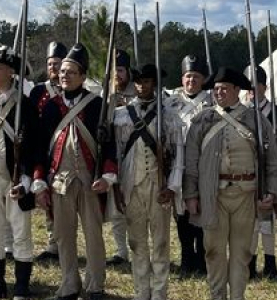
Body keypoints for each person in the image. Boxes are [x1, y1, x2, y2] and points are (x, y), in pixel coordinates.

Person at [183, 67, 277, 300]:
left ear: (238, 90)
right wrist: (191, 194)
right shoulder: (202, 120)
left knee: (242, 253)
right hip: (212, 195)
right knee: (214, 251)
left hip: (246, 194)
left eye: (224, 89)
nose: (218, 93)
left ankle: (237, 296)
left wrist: (271, 190)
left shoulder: (256, 120)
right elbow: (191, 160)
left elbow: (272, 160)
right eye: (216, 89)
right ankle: (218, 296)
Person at [32, 43, 117, 300]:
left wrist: (107, 176)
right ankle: (69, 283)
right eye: (62, 71)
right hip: (59, 181)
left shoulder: (97, 105)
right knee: (63, 237)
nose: (64, 75)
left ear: (82, 76)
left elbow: (110, 146)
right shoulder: (49, 107)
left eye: (71, 72)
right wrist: (39, 180)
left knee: (93, 236)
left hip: (90, 180)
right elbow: (39, 148)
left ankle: (95, 285)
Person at [113, 64, 183, 300]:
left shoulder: (168, 116)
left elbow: (178, 154)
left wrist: (172, 186)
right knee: (136, 242)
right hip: (132, 185)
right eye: (139, 82)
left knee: (161, 242)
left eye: (147, 81)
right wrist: (117, 186)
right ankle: (141, 292)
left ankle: (160, 292)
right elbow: (119, 152)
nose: (142, 86)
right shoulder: (122, 116)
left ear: (155, 84)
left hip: (158, 185)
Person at [165, 54, 211, 277]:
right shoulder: (170, 102)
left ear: (202, 79)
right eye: (187, 76)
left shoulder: (211, 102)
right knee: (180, 213)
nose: (190, 80)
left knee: (200, 211)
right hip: (176, 164)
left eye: (195, 76)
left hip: (202, 164)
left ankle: (201, 258)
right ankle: (186, 257)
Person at [244, 65, 277, 281]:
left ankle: (271, 263)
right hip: (249, 172)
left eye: (257, 87)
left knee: (268, 221)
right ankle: (250, 264)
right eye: (249, 88)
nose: (253, 91)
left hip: (272, 171)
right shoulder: (242, 113)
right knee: (251, 221)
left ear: (265, 87)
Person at [0, 45, 38, 299]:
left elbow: (33, 146)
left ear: (10, 71)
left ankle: (22, 286)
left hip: (15, 178)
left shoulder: (24, 104)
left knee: (20, 232)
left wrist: (25, 181)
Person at [30, 41, 67, 262]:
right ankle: (53, 243)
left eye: (58, 64)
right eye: (51, 64)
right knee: (46, 197)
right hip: (43, 149)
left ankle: (62, 243)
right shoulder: (38, 91)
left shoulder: (72, 90)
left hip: (66, 149)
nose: (54, 68)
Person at [106, 49, 136, 266]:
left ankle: (138, 249)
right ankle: (120, 250)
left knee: (135, 206)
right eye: (114, 70)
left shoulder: (139, 93)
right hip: (112, 153)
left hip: (135, 152)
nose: (117, 74)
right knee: (116, 206)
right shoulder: (105, 95)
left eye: (121, 69)